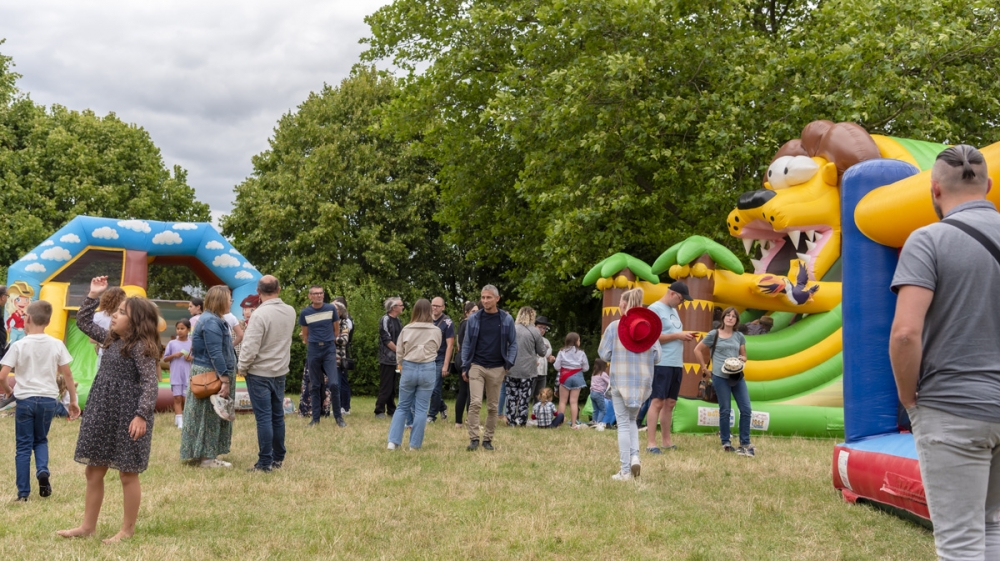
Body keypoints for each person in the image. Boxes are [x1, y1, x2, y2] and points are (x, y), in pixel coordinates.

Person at [889, 144, 1000, 559]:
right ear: (989, 185)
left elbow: (905, 333)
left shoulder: (928, 240)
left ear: (934, 189)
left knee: (959, 541)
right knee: (993, 526)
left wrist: (908, 397)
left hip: (952, 405)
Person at [58, 276, 160, 543]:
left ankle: (127, 530)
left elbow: (150, 383)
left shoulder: (141, 348)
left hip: (129, 415)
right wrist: (93, 295)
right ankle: (87, 527)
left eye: (122, 312)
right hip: (102, 410)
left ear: (137, 322)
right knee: (93, 470)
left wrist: (141, 415)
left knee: (127, 473)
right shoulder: (110, 340)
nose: (114, 315)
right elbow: (83, 322)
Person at [0, 300, 80, 501]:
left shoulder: (18, 345)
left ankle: (23, 493)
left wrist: (9, 391)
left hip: (25, 400)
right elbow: (68, 375)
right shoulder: (57, 344)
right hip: (48, 400)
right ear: (48, 321)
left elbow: (2, 376)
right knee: (41, 440)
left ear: (27, 319)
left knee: (23, 446)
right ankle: (42, 472)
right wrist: (73, 401)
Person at [598, 287, 661, 481]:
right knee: (632, 420)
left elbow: (604, 354)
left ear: (624, 304)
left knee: (623, 424)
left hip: (620, 380)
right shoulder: (648, 328)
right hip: (641, 383)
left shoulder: (614, 327)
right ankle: (635, 456)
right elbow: (657, 356)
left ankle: (625, 470)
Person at [238, 275, 296, 472]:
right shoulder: (290, 311)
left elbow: (250, 347)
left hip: (259, 372)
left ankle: (264, 462)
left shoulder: (259, 315)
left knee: (263, 417)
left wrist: (242, 367)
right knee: (277, 415)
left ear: (258, 291)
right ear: (278, 289)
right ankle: (278, 457)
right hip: (280, 370)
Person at [180, 286, 237, 468]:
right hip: (211, 375)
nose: (231, 303)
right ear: (220, 301)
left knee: (205, 415)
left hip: (209, 372)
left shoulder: (212, 319)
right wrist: (225, 380)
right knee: (210, 416)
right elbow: (215, 353)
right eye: (229, 299)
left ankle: (203, 454)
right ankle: (207, 459)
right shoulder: (212, 321)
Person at [461, 285, 518, 451]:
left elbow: (513, 343)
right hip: (476, 365)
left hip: (497, 367)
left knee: (493, 407)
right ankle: (473, 439)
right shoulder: (474, 318)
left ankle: (487, 439)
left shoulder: (506, 319)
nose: (485, 301)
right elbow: (466, 344)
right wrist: (465, 365)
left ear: (497, 299)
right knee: (475, 403)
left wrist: (508, 364)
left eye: (488, 297)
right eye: (483, 297)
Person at [646, 281, 695, 453]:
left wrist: (682, 336)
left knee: (670, 402)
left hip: (676, 363)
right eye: (681, 299)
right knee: (657, 401)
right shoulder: (654, 309)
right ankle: (651, 443)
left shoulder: (673, 310)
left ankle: (666, 441)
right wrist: (677, 335)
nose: (682, 303)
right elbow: (651, 337)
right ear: (672, 293)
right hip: (662, 363)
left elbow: (672, 334)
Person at [695, 307, 752, 456]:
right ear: (723, 318)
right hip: (720, 377)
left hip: (736, 375)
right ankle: (726, 441)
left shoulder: (739, 336)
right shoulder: (714, 334)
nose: (730, 318)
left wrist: (742, 359)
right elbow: (697, 349)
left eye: (733, 316)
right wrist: (704, 368)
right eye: (728, 315)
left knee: (746, 409)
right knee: (725, 410)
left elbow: (744, 356)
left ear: (736, 320)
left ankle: (745, 442)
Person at [387, 299, 442, 450]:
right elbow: (436, 348)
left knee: (402, 406)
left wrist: (400, 366)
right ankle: (414, 445)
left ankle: (393, 442)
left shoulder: (406, 329)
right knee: (422, 409)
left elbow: (399, 351)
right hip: (428, 368)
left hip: (409, 366)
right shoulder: (436, 330)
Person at [299, 285, 344, 428]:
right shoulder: (305, 313)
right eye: (315, 293)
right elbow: (305, 335)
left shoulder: (331, 309)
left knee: (334, 384)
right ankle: (315, 419)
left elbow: (336, 330)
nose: (318, 295)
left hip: (329, 348)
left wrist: (328, 341)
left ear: (323, 295)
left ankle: (339, 418)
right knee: (315, 385)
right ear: (310, 296)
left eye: (320, 293)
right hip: (313, 349)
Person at [506, 306, 547, 427]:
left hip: (511, 368)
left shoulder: (511, 329)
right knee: (524, 396)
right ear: (532, 316)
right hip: (528, 370)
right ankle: (522, 420)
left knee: (511, 396)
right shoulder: (535, 331)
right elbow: (542, 352)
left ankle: (511, 420)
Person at [554, 332, 589, 429]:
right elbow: (586, 368)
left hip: (565, 376)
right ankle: (573, 424)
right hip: (578, 377)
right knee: (574, 402)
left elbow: (556, 366)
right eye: (579, 340)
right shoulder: (581, 353)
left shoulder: (562, 351)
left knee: (562, 401)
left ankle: (559, 423)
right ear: (576, 341)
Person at [427, 296, 455, 423]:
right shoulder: (426, 319)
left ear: (443, 307)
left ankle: (431, 415)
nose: (435, 308)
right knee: (428, 387)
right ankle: (442, 406)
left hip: (440, 358)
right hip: (427, 357)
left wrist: (445, 365)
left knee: (435, 387)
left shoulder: (447, 322)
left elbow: (450, 345)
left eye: (437, 306)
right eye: (433, 305)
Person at [375, 296, 404, 418]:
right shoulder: (385, 319)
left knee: (393, 385)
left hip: (397, 361)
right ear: (393, 307)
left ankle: (391, 409)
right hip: (387, 360)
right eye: (401, 305)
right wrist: (399, 350)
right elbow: (386, 339)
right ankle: (379, 410)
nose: (403, 307)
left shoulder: (398, 321)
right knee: (386, 385)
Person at [162, 319, 192, 429]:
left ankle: (184, 418)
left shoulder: (191, 343)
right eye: (178, 328)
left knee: (185, 399)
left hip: (187, 375)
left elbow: (197, 358)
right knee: (177, 398)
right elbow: (165, 359)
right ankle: (180, 422)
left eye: (182, 328)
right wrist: (174, 355)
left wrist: (190, 358)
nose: (179, 331)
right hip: (175, 375)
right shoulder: (172, 343)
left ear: (188, 329)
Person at [453, 301, 477, 428]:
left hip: (460, 357)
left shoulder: (462, 323)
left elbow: (458, 344)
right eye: (473, 311)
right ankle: (469, 420)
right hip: (467, 358)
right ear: (466, 313)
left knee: (463, 390)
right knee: (470, 391)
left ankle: (458, 422)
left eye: (477, 311)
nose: (476, 314)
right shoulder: (469, 323)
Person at [92, 287, 126, 369]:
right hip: (121, 352)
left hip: (104, 352)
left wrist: (101, 341)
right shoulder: (124, 316)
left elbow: (92, 339)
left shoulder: (98, 316)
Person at [530, 315, 555, 421]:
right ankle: (521, 416)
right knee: (528, 394)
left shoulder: (546, 341)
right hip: (531, 371)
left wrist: (550, 358)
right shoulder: (530, 339)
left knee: (540, 395)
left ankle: (537, 417)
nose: (542, 330)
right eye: (540, 327)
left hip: (543, 372)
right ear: (534, 326)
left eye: (545, 328)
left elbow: (547, 355)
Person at [333, 299, 353, 416]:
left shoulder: (344, 323)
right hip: (324, 357)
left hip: (337, 358)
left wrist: (329, 338)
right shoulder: (326, 323)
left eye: (335, 309)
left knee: (338, 384)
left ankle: (340, 408)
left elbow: (344, 340)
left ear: (340, 311)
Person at [234, 294, 260, 359]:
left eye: (252, 310)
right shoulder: (240, 326)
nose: (247, 313)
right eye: (245, 310)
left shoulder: (260, 326)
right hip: (240, 358)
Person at [589, 358, 610, 431]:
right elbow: (610, 382)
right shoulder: (603, 374)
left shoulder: (594, 373)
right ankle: (599, 423)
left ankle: (594, 422)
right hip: (599, 393)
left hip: (592, 393)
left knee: (595, 410)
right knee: (603, 410)